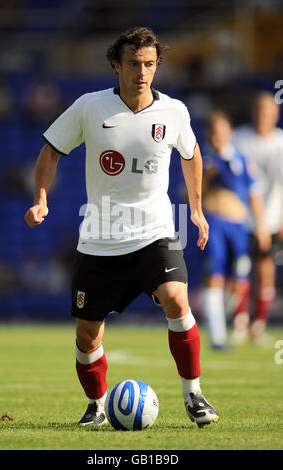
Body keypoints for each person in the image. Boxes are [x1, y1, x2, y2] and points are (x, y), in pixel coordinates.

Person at [24, 26, 219, 428]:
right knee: (86, 337)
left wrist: (196, 210)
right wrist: (41, 198)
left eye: (149, 64)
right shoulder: (89, 107)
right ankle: (96, 407)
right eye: (133, 64)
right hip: (100, 240)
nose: (142, 72)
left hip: (155, 232)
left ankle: (194, 395)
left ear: (157, 65)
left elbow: (192, 153)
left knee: (177, 301)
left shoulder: (174, 112)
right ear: (117, 65)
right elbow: (50, 150)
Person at [201, 111, 270, 349]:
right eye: (214, 131)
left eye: (222, 131)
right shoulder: (202, 158)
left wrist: (261, 225)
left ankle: (224, 316)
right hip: (215, 224)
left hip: (239, 227)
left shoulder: (241, 159)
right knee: (215, 276)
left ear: (229, 132)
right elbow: (186, 192)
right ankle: (217, 337)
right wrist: (206, 179)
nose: (218, 136)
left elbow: (254, 193)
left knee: (239, 279)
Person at [233, 92, 283, 345]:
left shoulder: (281, 142)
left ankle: (258, 326)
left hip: (272, 219)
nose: (266, 115)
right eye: (261, 110)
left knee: (266, 271)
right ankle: (240, 323)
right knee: (240, 271)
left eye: (270, 110)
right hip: (242, 220)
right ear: (255, 112)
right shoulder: (239, 140)